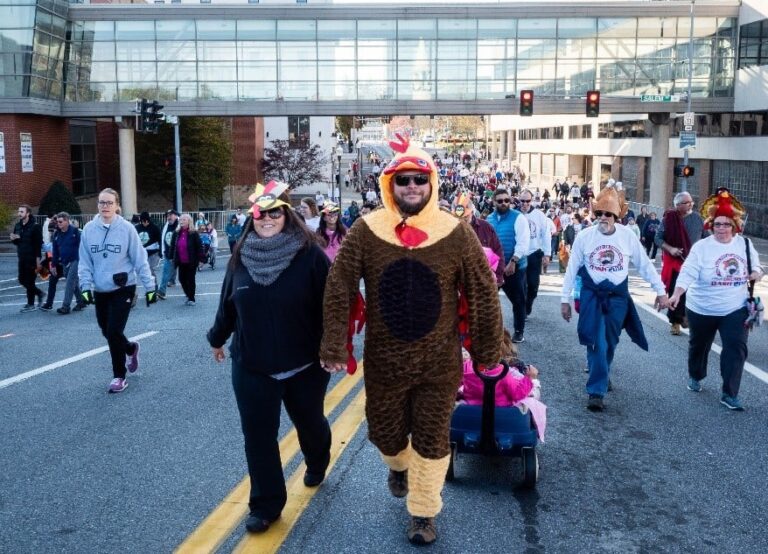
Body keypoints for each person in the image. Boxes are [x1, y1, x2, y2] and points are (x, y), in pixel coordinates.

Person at [320, 135, 503, 545]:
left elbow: (481, 292)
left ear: (432, 182)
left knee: (433, 439)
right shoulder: (366, 231)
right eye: (403, 180)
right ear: (390, 185)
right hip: (385, 362)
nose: (412, 187)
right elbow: (339, 286)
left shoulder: (456, 233)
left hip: (439, 364)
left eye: (419, 179)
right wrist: (334, 345)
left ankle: (423, 513)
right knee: (384, 434)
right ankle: (398, 465)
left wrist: (488, 350)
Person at [207, 180, 332, 535]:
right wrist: (217, 339)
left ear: (286, 215)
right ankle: (266, 505)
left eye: (274, 212)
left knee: (310, 424)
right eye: (260, 213)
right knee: (259, 438)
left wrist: (333, 347)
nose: (266, 219)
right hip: (252, 365)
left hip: (305, 364)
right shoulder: (240, 258)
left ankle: (318, 459)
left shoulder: (310, 256)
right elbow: (228, 305)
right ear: (252, 217)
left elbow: (332, 307)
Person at [560, 183, 668, 412]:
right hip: (592, 296)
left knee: (609, 342)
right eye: (599, 213)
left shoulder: (628, 236)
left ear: (617, 216)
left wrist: (660, 291)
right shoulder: (585, 237)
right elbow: (572, 269)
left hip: (618, 298)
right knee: (596, 341)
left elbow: (645, 265)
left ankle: (602, 372)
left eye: (608, 214)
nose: (603, 217)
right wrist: (565, 299)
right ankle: (596, 392)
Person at [668, 189, 764, 411]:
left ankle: (729, 393)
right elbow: (688, 272)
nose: (721, 229)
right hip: (702, 307)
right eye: (717, 224)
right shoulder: (702, 247)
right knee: (699, 346)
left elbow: (756, 266)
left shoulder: (745, 245)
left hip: (735, 307)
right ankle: (696, 374)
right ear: (711, 225)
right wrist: (677, 293)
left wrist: (756, 273)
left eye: (726, 224)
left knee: (736, 347)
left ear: (735, 226)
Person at [78, 188, 157, 393]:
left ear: (117, 205)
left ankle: (119, 376)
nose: (105, 207)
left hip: (123, 287)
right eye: (101, 203)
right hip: (100, 288)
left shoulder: (126, 229)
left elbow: (140, 259)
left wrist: (150, 286)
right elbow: (85, 261)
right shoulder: (88, 229)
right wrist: (85, 285)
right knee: (107, 330)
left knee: (114, 330)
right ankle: (130, 348)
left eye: (109, 203)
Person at [655, 191, 707, 335]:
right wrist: (670, 249)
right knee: (676, 291)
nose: (691, 204)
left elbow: (707, 238)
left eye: (691, 201)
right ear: (677, 205)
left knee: (693, 293)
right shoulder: (668, 219)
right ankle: (675, 321)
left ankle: (688, 318)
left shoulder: (698, 219)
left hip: (695, 262)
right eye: (686, 202)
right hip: (675, 262)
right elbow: (658, 239)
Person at [487, 188, 530, 343]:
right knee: (488, 300)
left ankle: (519, 331)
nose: (504, 203)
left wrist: (513, 261)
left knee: (518, 300)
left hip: (515, 267)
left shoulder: (518, 218)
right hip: (495, 268)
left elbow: (523, 243)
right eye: (500, 201)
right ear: (494, 202)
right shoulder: (489, 219)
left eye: (507, 200)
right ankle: (492, 332)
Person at [453, 191, 505, 286]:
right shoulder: (450, 229)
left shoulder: (486, 227)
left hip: (484, 282)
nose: (462, 220)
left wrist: (498, 277)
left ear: (472, 212)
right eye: (458, 217)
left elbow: (498, 251)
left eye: (465, 217)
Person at [41, 212, 86, 314]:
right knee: (73, 283)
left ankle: (66, 306)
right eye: (58, 222)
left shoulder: (75, 232)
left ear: (66, 221)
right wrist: (53, 265)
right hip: (65, 262)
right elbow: (55, 251)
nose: (59, 223)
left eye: (61, 221)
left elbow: (84, 246)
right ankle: (81, 301)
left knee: (70, 282)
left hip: (76, 260)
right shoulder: (57, 234)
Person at [518, 189, 552, 316]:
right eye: (522, 201)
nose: (525, 204)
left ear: (531, 201)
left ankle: (528, 304)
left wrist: (547, 254)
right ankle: (521, 310)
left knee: (533, 285)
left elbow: (546, 235)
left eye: (527, 201)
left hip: (534, 253)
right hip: (518, 255)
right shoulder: (514, 214)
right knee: (520, 285)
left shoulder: (539, 215)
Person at [10, 204, 44, 312]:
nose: (19, 214)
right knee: (21, 280)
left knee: (30, 281)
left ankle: (30, 304)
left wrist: (38, 261)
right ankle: (39, 293)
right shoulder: (18, 226)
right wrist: (14, 239)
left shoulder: (35, 226)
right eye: (19, 211)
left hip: (32, 258)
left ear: (28, 213)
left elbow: (38, 244)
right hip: (22, 257)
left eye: (22, 212)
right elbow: (17, 242)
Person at [171, 214, 202, 306]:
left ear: (189, 221)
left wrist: (201, 259)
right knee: (181, 279)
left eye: (184, 219)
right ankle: (188, 295)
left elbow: (199, 247)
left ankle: (191, 298)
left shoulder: (194, 233)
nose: (182, 221)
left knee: (190, 279)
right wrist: (170, 256)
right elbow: (173, 246)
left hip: (191, 261)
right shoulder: (176, 233)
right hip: (181, 261)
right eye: (180, 219)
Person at [157, 209, 179, 300]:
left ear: (175, 215)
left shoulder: (180, 225)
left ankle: (189, 292)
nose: (169, 217)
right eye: (167, 215)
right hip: (169, 253)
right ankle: (161, 291)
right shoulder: (166, 226)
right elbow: (163, 238)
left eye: (171, 215)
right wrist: (162, 250)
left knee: (185, 275)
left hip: (180, 254)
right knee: (165, 272)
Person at [135, 211, 162, 283]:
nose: (145, 223)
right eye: (143, 221)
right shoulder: (137, 228)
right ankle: (149, 286)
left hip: (153, 252)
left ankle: (154, 287)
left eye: (146, 221)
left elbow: (160, 240)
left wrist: (161, 251)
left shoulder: (155, 228)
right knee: (143, 271)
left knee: (149, 269)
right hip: (142, 252)